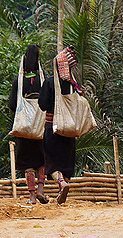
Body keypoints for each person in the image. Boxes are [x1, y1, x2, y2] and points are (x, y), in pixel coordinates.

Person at [38, 46, 79, 204]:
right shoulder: (73, 84)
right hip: (69, 129)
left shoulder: (49, 82)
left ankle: (61, 183)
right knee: (66, 160)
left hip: (52, 126)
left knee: (52, 161)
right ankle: (64, 187)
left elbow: (42, 104)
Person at [8, 44, 49, 204]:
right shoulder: (42, 80)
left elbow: (12, 104)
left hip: (24, 129)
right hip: (40, 127)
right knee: (42, 159)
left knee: (27, 163)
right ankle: (40, 189)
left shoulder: (18, 81)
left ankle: (31, 196)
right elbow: (47, 103)